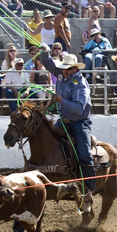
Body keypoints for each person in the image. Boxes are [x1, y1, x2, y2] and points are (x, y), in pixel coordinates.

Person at [41, 47, 95, 214]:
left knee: (84, 153)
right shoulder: (61, 75)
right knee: (46, 138)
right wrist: (45, 51)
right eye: (63, 68)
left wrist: (61, 100)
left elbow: (79, 109)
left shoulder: (80, 84)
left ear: (75, 69)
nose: (63, 71)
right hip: (64, 120)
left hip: (79, 122)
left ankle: (89, 188)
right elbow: (46, 62)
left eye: (67, 69)